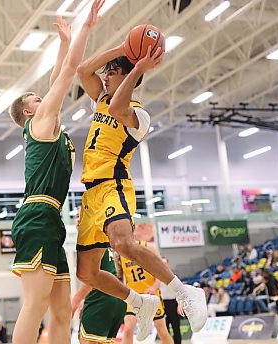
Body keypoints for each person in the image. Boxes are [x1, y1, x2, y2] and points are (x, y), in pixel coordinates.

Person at [75, 28, 206, 340]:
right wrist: (122, 47)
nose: (104, 77)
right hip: (90, 193)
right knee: (87, 273)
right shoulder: (101, 99)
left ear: (125, 76)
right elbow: (82, 70)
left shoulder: (139, 115)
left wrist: (136, 67)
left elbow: (120, 109)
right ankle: (139, 302)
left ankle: (185, 291)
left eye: (111, 72)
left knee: (122, 243)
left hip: (113, 185)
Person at [7, 2, 105, 343]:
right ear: (28, 112)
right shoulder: (40, 122)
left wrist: (63, 43)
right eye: (36, 98)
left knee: (62, 311)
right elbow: (68, 73)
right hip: (35, 217)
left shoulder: (47, 124)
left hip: (50, 219)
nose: (43, 97)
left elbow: (58, 75)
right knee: (34, 306)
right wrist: (85, 29)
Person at [115, 241, 174, 344]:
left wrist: (154, 287)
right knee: (128, 328)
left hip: (151, 296)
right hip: (133, 297)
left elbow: (162, 270)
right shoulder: (119, 253)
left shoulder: (148, 247)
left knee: (162, 330)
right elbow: (119, 277)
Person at [72, 249, 126, 343]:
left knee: (86, 341)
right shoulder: (104, 243)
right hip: (116, 299)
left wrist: (73, 303)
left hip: (101, 299)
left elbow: (91, 278)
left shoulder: (89, 240)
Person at [160, 258, 182, 344]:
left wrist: (179, 304)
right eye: (162, 263)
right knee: (164, 328)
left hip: (173, 303)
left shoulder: (173, 276)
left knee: (176, 327)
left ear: (168, 264)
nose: (164, 264)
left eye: (165, 263)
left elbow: (179, 291)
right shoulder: (157, 277)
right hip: (162, 304)